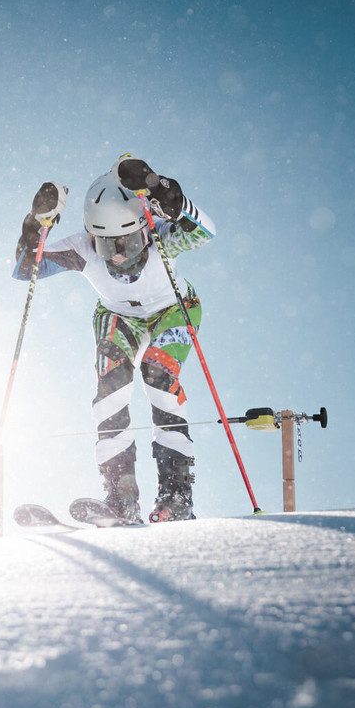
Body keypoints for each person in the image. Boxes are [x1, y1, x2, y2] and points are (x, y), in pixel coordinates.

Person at [13, 154, 216, 523]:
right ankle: (120, 496)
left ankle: (176, 494)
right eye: (108, 246)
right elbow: (27, 269)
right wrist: (36, 224)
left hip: (173, 308)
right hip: (118, 316)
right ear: (92, 236)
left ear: (145, 227)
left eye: (130, 242)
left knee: (158, 374)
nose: (120, 256)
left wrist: (168, 195)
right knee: (111, 388)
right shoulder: (82, 248)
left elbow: (205, 232)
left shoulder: (161, 235)